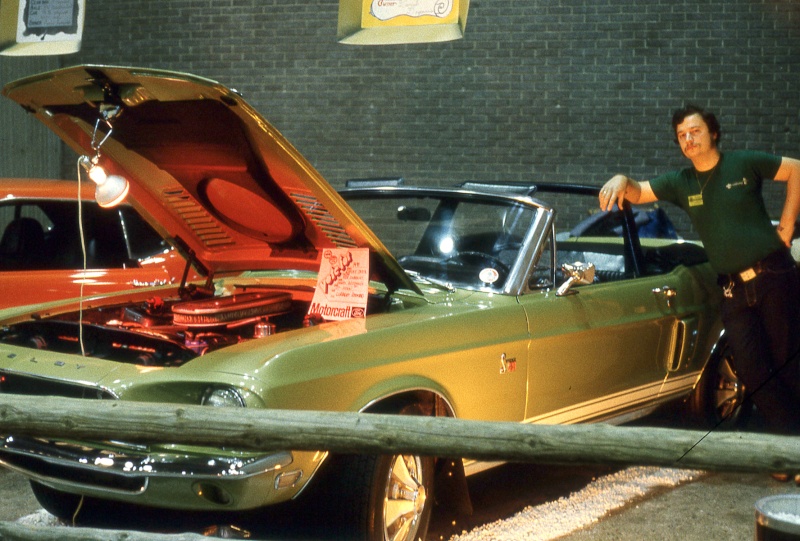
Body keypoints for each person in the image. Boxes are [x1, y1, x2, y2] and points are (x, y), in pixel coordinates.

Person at [599, 104, 800, 435]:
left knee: (787, 365)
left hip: (773, 277)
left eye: (695, 131)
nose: (688, 139)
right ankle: (790, 445)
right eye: (682, 135)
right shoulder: (682, 182)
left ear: (713, 133)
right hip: (733, 290)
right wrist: (622, 179)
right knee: (750, 370)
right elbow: (639, 191)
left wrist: (788, 227)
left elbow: (795, 169)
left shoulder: (743, 163)